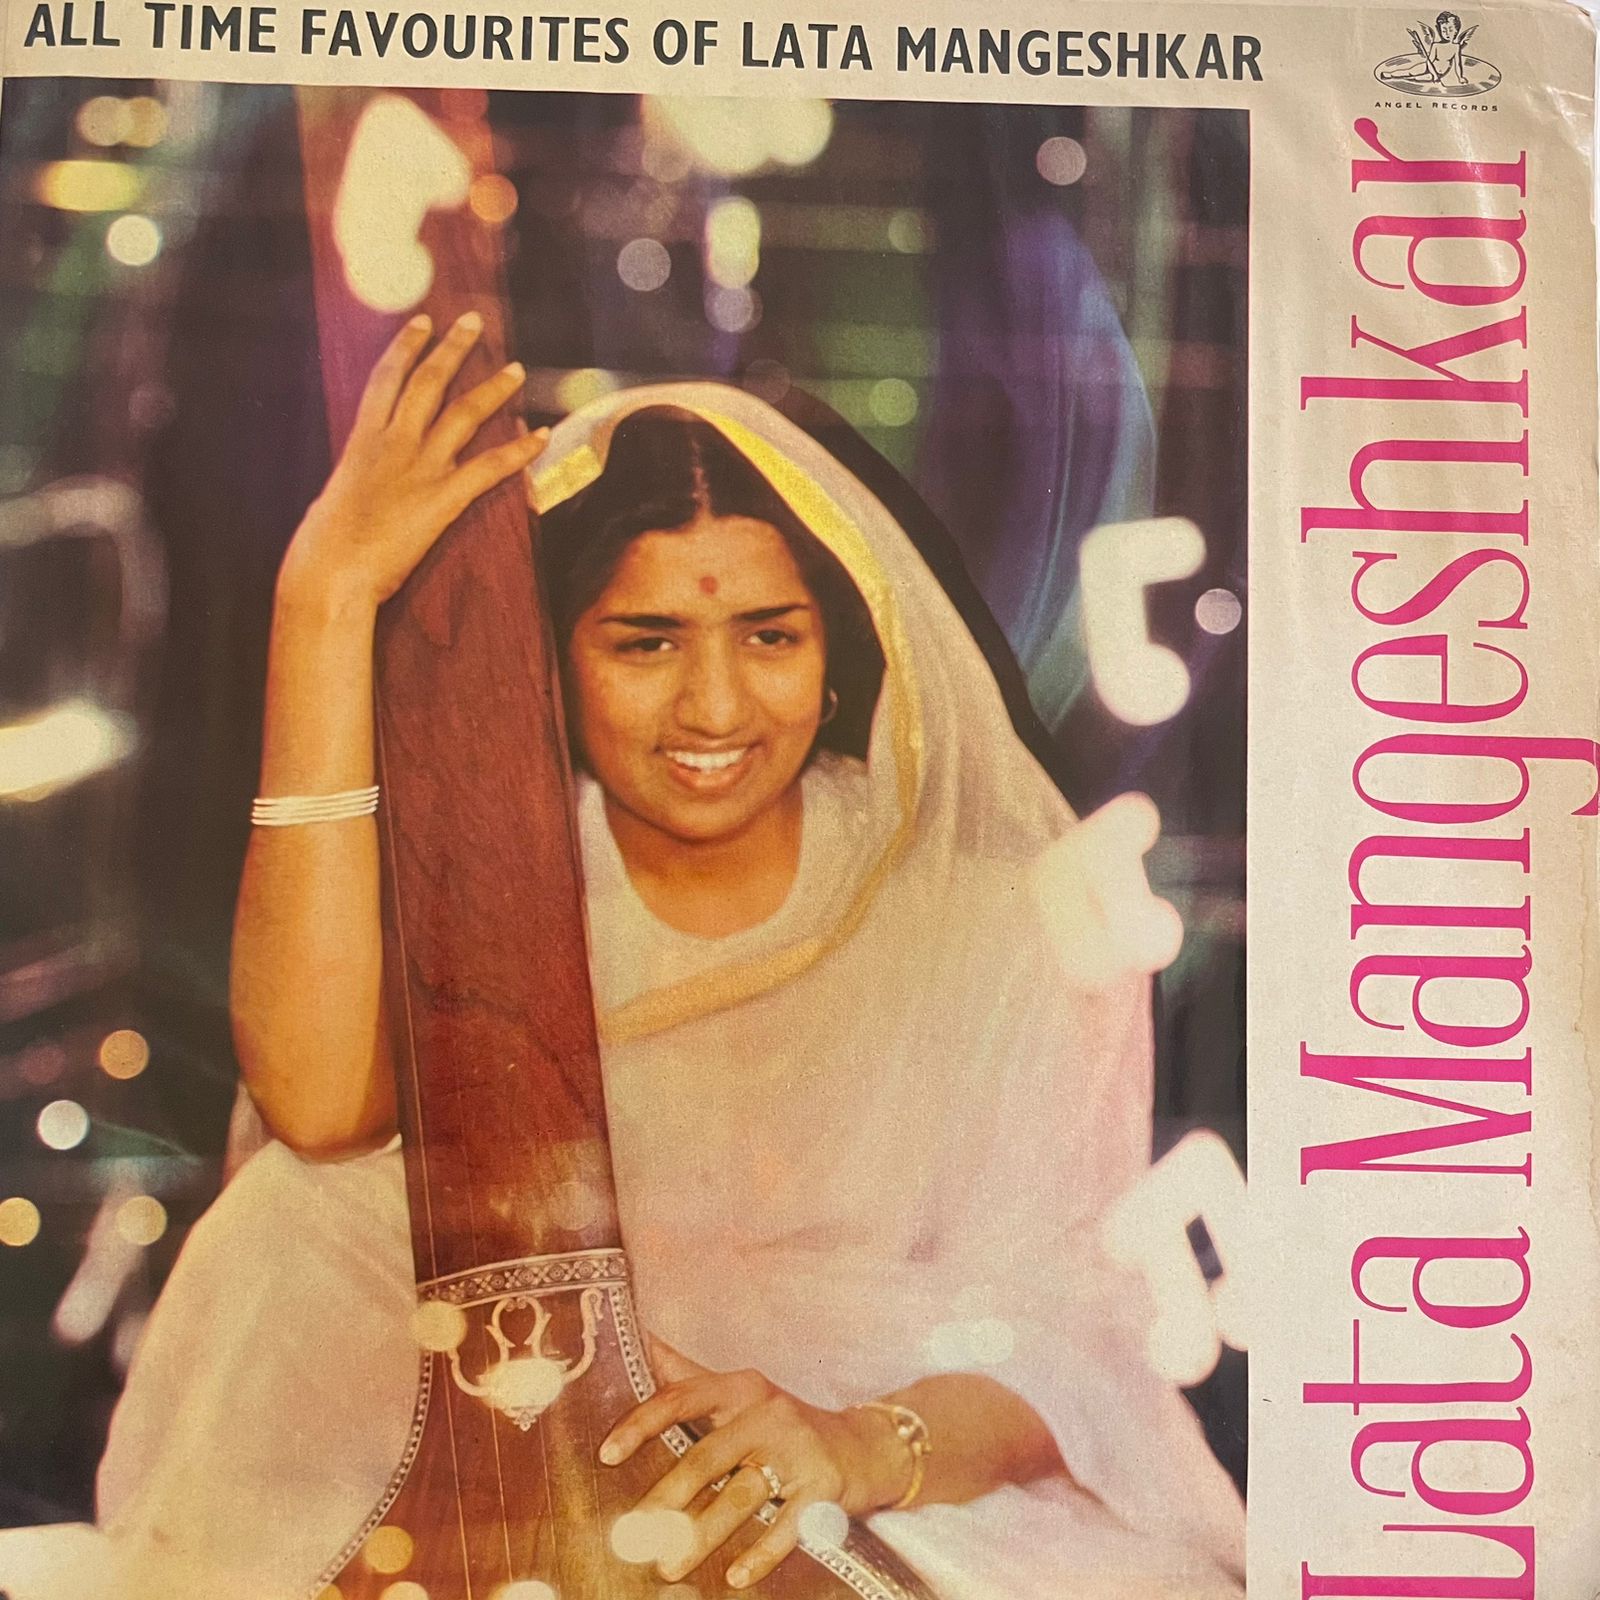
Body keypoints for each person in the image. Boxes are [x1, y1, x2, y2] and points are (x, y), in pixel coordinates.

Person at [81, 313, 1244, 1599]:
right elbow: (310, 1116)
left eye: (769, 635)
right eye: (645, 641)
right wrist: (324, 602)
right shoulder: (491, 899)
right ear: (554, 661)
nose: (714, 706)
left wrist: (855, 1446)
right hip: (499, 1457)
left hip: (883, 1471)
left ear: (840, 644)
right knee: (303, 1217)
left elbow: (1079, 1328)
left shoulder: (991, 919)